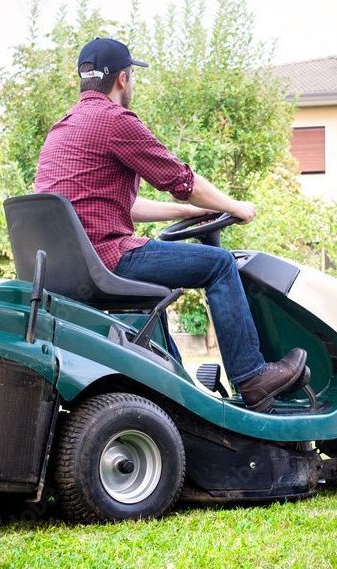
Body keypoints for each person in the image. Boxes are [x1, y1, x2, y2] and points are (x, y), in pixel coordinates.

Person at [34, 37, 306, 413]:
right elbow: (183, 182)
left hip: (70, 267)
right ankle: (253, 377)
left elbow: (119, 207)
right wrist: (235, 206)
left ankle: (177, 393)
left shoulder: (62, 129)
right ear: (123, 79)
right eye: (132, 78)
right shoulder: (115, 122)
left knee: (153, 302)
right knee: (220, 264)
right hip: (107, 259)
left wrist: (187, 214)